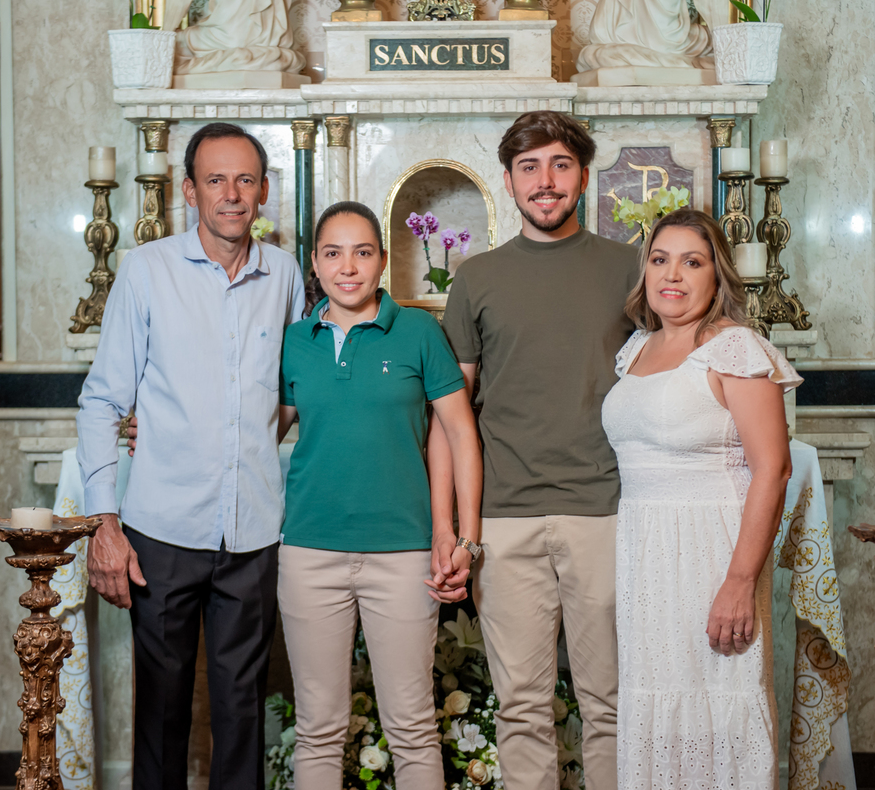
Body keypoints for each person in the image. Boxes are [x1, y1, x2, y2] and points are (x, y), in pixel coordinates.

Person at [76, 122, 305, 790]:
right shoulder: (147, 271)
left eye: (244, 180)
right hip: (162, 530)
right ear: (188, 191)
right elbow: (102, 399)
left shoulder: (284, 274)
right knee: (161, 712)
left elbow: (290, 389)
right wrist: (105, 524)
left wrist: (243, 437)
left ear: (264, 192)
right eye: (215, 180)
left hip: (252, 530)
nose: (231, 194)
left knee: (243, 711)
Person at [429, 110, 639, 790]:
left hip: (604, 511)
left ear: (584, 175)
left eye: (560, 165)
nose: (545, 181)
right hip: (505, 517)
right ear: (509, 179)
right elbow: (450, 414)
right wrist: (453, 529)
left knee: (611, 704)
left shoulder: (632, 268)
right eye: (529, 167)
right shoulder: (477, 278)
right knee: (521, 707)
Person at [275, 201, 483, 789]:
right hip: (309, 552)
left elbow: (461, 435)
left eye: (362, 252)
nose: (348, 267)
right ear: (315, 263)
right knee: (318, 729)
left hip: (404, 554)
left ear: (383, 260)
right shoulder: (295, 341)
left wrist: (464, 537)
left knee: (412, 727)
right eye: (333, 253)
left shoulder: (417, 332)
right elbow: (256, 433)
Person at [601, 208, 799, 789]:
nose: (673, 275)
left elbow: (774, 470)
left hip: (710, 553)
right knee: (654, 696)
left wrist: (740, 582)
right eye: (660, 260)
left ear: (718, 276)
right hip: (646, 555)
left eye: (692, 262)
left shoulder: (735, 348)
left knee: (719, 697)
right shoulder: (636, 348)